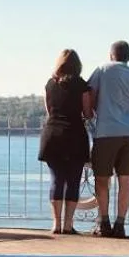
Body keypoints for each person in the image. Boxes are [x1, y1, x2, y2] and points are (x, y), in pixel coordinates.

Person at [84, 40, 129, 238]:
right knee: (126, 179)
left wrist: (91, 114)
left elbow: (88, 94)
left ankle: (103, 222)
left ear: (111, 55)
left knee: (102, 178)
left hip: (106, 132)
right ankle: (120, 224)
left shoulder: (102, 70)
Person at [37, 48, 91, 234]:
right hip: (75, 135)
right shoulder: (82, 85)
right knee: (73, 180)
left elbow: (49, 111)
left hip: (53, 135)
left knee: (56, 180)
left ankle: (56, 224)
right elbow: (87, 113)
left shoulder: (50, 84)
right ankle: (68, 224)